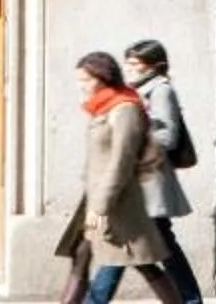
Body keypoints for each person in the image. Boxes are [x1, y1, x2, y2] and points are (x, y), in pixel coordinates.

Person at [61, 52, 178, 304]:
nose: (81, 86)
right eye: (79, 80)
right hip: (96, 196)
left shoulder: (124, 109)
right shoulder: (102, 107)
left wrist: (101, 205)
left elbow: (121, 162)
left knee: (143, 262)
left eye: (86, 80)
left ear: (103, 78)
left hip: (119, 202)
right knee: (81, 254)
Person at [124, 39, 203, 304]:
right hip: (140, 182)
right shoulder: (136, 90)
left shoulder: (161, 90)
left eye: (135, 63)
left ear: (151, 66)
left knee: (159, 248)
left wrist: (133, 133)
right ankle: (189, 300)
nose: (129, 68)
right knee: (160, 248)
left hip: (151, 183)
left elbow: (168, 137)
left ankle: (191, 300)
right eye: (128, 63)